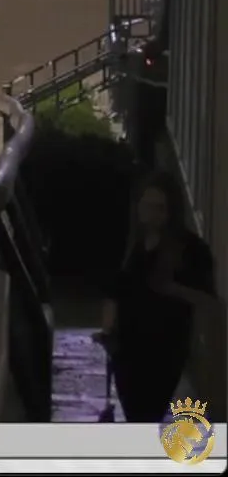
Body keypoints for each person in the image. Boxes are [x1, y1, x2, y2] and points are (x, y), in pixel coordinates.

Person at [97, 172, 217, 422]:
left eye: (159, 207)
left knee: (149, 413)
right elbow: (113, 289)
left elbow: (208, 300)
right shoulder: (130, 242)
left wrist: (173, 288)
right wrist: (108, 329)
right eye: (146, 206)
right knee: (135, 414)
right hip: (127, 350)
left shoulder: (191, 250)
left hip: (165, 351)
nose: (151, 214)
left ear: (171, 211)